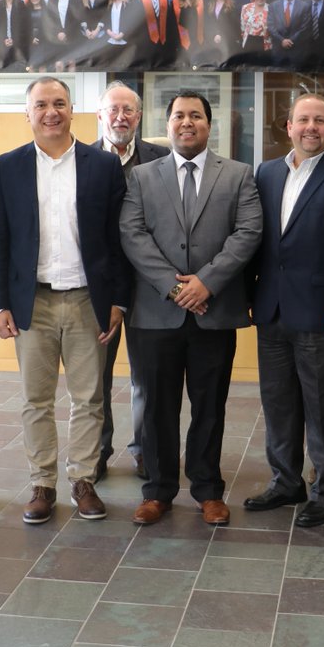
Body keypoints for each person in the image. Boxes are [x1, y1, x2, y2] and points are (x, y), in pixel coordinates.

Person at [0, 78, 131, 525]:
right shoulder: (7, 167)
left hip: (90, 299)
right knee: (36, 399)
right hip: (33, 301)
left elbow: (118, 239)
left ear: (73, 111)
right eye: (41, 105)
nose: (51, 112)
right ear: (27, 114)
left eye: (59, 104)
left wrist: (119, 301)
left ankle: (83, 480)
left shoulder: (103, 166)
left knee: (90, 398)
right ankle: (42, 484)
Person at [120, 91, 263, 527]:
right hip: (155, 313)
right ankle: (158, 491)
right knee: (157, 407)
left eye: (196, 116)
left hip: (213, 312)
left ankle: (207, 490)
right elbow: (133, 233)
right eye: (179, 115)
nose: (187, 122)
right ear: (167, 125)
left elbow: (248, 231)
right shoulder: (141, 177)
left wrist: (206, 282)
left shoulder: (238, 175)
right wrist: (172, 285)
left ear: (208, 124)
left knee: (210, 405)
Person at [245, 94, 324, 528]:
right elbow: (256, 243)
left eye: (320, 120)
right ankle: (286, 481)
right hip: (272, 311)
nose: (311, 128)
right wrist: (250, 296)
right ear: (289, 126)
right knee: (279, 404)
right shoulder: (265, 174)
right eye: (304, 120)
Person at [91, 82, 170, 481]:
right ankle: (98, 450)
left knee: (147, 376)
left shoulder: (163, 157)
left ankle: (144, 449)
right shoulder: (81, 157)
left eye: (129, 110)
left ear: (139, 117)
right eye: (113, 110)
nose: (120, 117)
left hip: (148, 285)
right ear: (100, 115)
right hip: (100, 288)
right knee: (97, 378)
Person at [268, 0, 310, 69]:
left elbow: (305, 27)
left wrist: (291, 40)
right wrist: (282, 40)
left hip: (296, 49)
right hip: (278, 48)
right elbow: (271, 26)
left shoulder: (304, 6)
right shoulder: (273, 5)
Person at [171, 0, 203, 70]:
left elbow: (204, 18)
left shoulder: (199, 0)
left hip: (196, 36)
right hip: (181, 37)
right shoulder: (175, 1)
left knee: (196, 63)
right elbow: (172, 20)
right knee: (184, 64)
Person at [238, 0, 271, 69]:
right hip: (249, 41)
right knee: (248, 66)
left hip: (264, 42)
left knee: (262, 67)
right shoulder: (245, 7)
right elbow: (242, 25)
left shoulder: (271, 9)